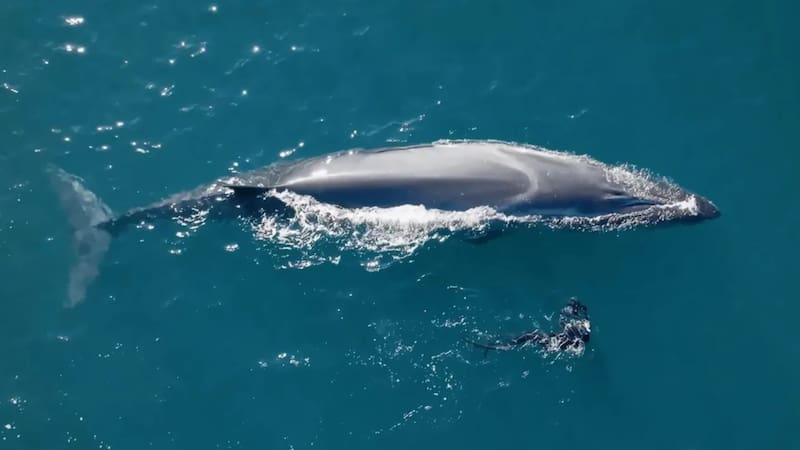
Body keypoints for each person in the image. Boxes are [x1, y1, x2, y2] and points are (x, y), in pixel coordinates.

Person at [466, 298, 591, 356]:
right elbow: (563, 322)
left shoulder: (578, 338)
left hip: (552, 345)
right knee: (530, 335)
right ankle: (502, 342)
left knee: (532, 335)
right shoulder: (580, 327)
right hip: (554, 342)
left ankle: (503, 346)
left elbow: (563, 326)